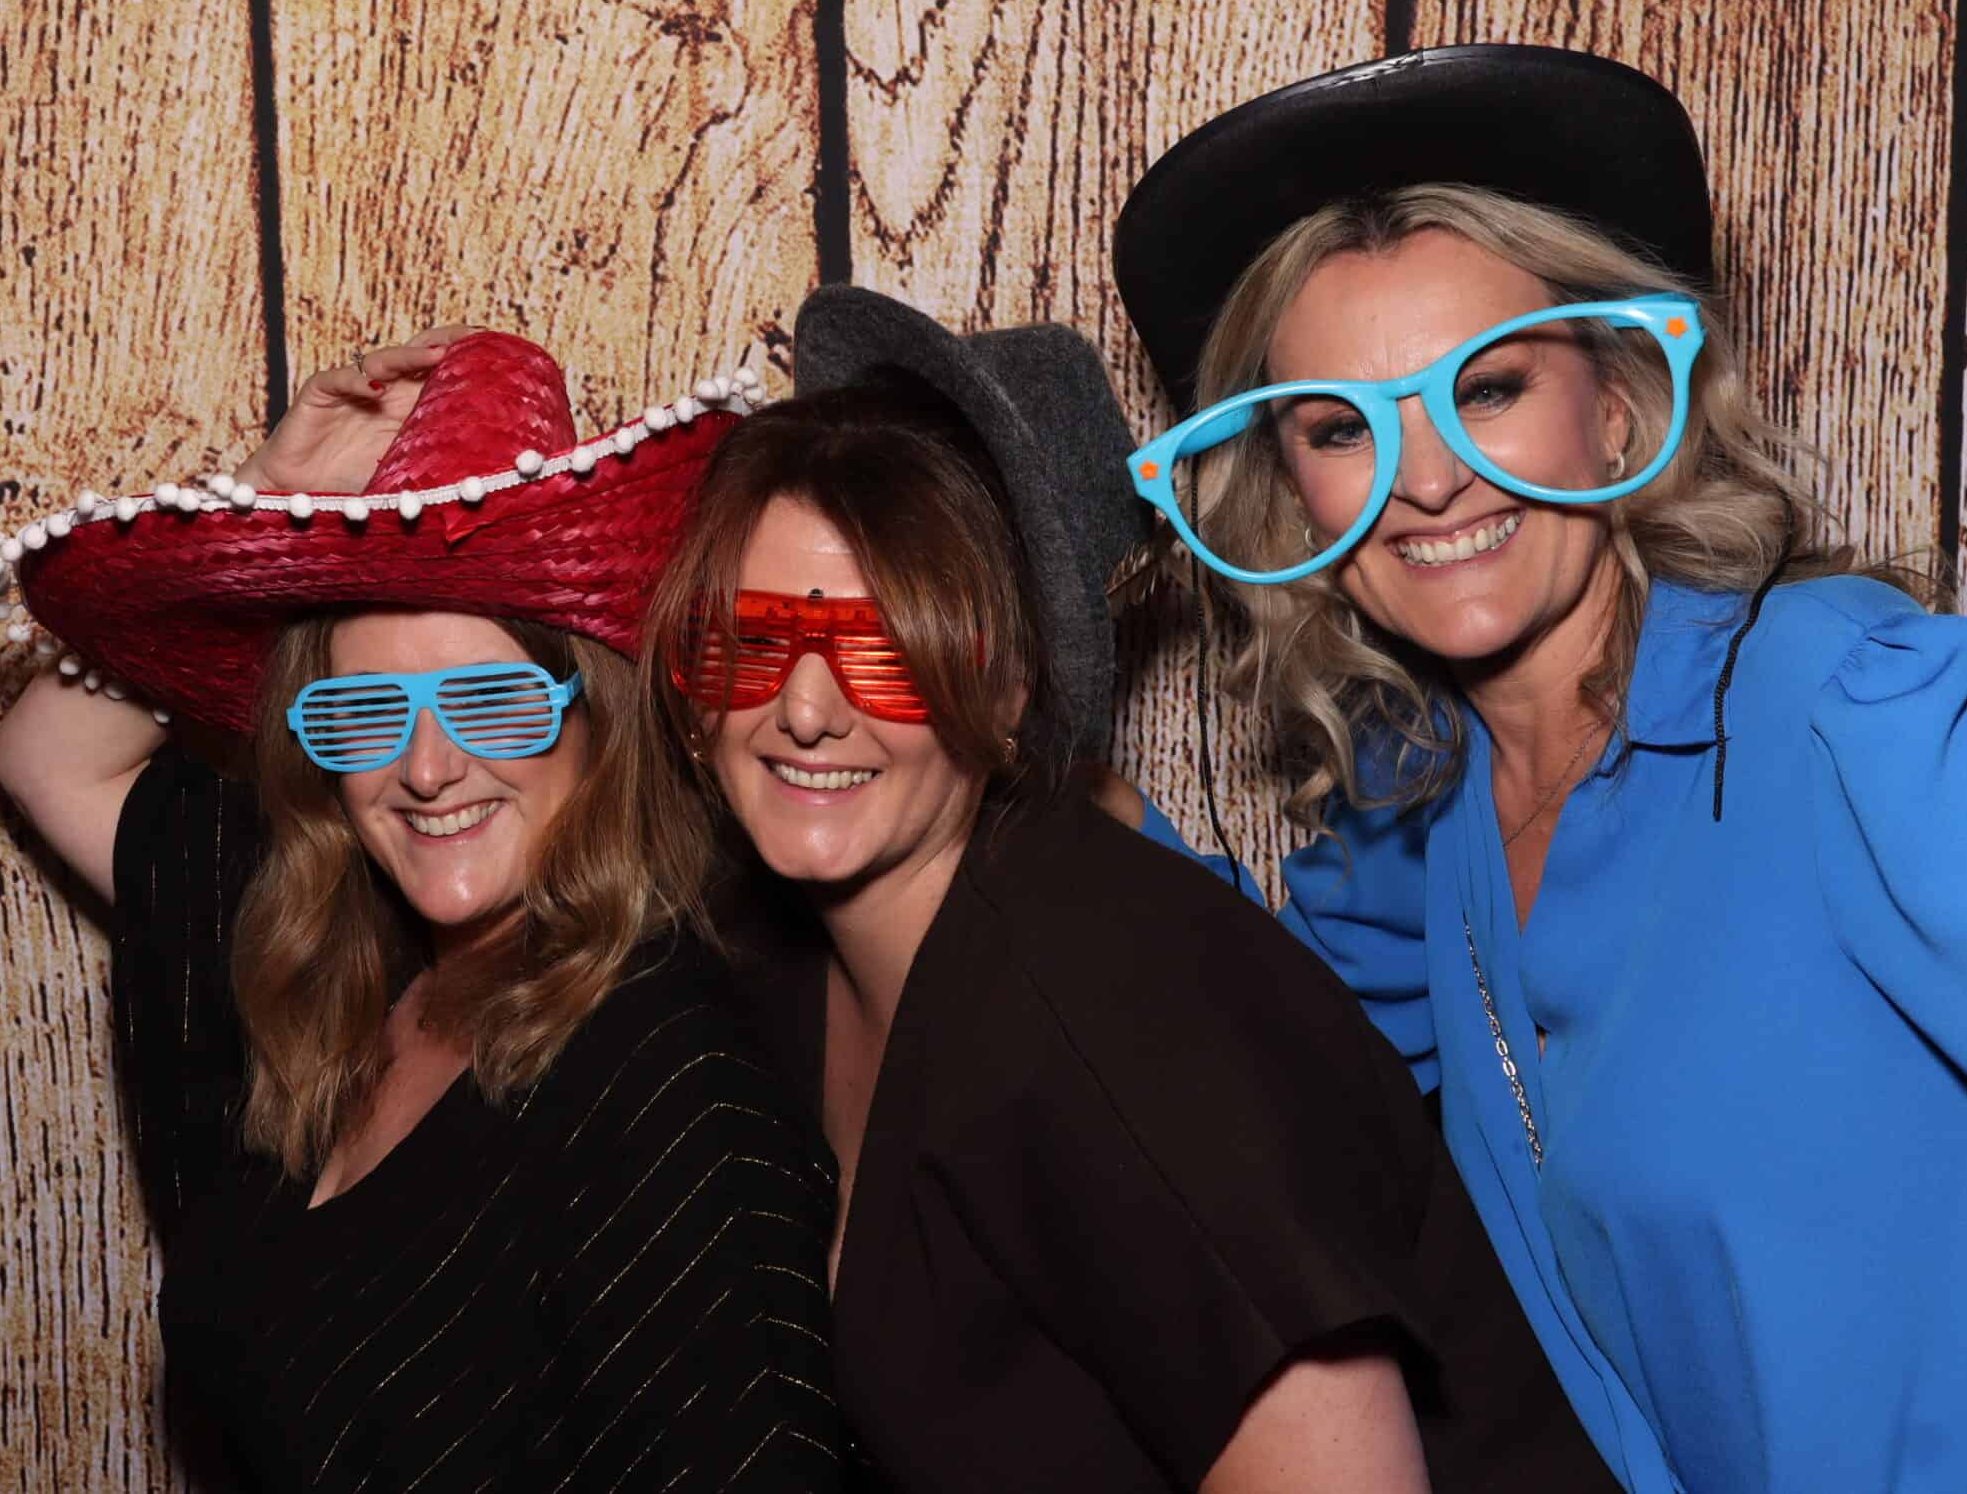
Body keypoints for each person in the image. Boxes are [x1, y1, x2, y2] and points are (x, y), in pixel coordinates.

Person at [1112, 43, 1967, 1493]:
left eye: (1492, 386)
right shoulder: (1422, 851)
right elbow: (1269, 1073)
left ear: (1623, 409)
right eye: (1342, 425)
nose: (1430, 476)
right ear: (1290, 487)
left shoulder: (1842, 709)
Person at [640, 286, 1618, 1493]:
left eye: (892, 650)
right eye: (747, 639)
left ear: (1007, 694)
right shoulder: (793, 965)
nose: (801, 706)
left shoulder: (1112, 1001)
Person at [0, 329, 847, 1491]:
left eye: (491, 702)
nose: (427, 768)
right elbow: (47, 760)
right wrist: (273, 498)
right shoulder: (335, 961)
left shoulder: (667, 1086)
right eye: (363, 715)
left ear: (594, 724)